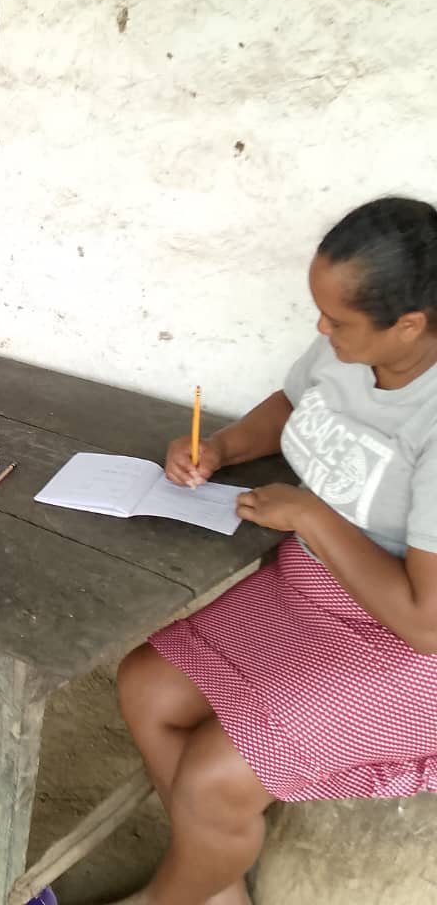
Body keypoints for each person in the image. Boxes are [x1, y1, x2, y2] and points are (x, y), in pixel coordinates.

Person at [112, 197, 437, 905]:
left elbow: (425, 622)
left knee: (211, 779)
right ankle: (216, 888)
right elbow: (294, 403)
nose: (322, 329)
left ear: (408, 326)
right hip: (313, 588)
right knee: (146, 684)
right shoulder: (348, 348)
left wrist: (314, 518)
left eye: (339, 321)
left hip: (408, 649)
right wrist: (220, 447)